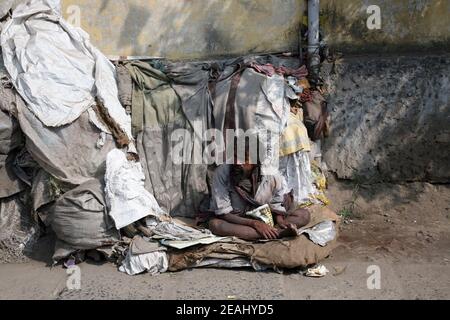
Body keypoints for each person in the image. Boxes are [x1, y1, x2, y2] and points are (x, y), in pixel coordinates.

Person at [208, 156, 311, 241]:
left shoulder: (270, 172)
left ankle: (271, 231)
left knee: (304, 214)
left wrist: (280, 220)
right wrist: (255, 224)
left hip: (267, 215)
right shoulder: (222, 172)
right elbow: (224, 213)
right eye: (235, 156)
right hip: (239, 220)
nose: (237, 162)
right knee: (215, 225)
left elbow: (277, 198)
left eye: (244, 159)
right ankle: (278, 233)